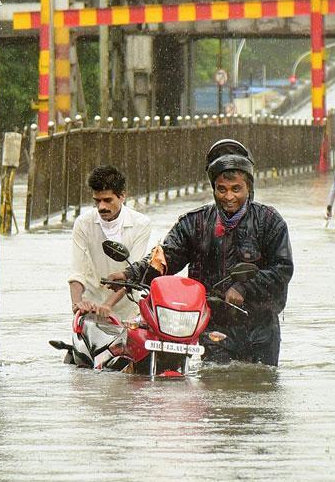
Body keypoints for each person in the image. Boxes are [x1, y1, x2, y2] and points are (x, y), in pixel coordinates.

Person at [109, 139, 294, 366]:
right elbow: (165, 258)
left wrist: (244, 287)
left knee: (261, 385)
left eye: (236, 189)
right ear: (213, 188)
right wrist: (131, 275)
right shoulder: (194, 223)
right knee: (214, 385)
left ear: (249, 188)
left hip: (261, 328)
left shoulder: (269, 221)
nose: (229, 197)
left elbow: (282, 269)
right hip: (212, 325)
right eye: (222, 189)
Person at [68, 165, 152, 320]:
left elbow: (133, 272)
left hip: (127, 309)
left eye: (107, 200)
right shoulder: (83, 223)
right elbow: (77, 271)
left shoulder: (141, 224)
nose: (101, 207)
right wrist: (77, 303)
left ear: (122, 196)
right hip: (90, 307)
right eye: (97, 201)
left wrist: (108, 305)